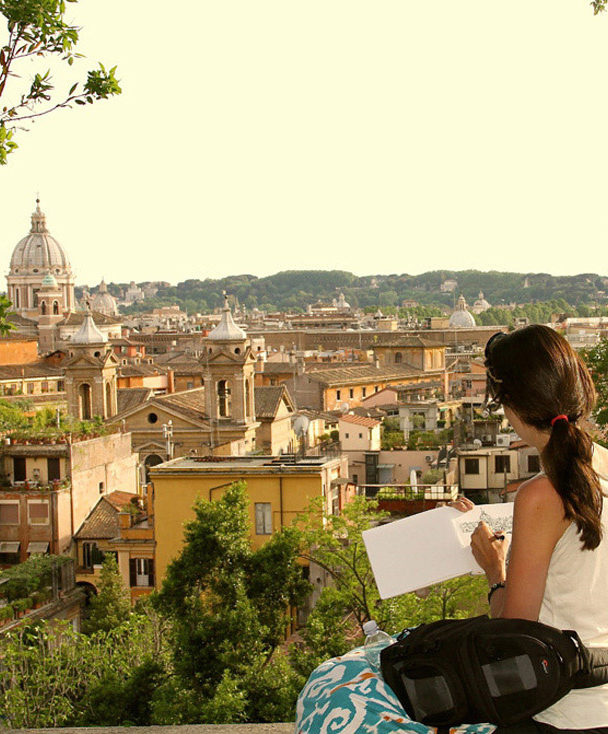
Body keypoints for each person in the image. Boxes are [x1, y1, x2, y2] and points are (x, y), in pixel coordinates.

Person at [454, 325, 608, 734]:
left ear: (513, 406)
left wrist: (494, 570)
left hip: (567, 712)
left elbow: (514, 631)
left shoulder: (541, 495)